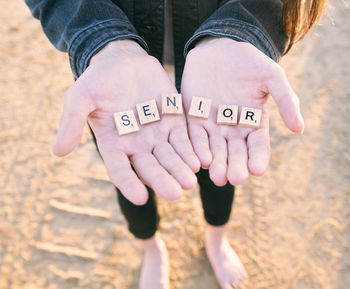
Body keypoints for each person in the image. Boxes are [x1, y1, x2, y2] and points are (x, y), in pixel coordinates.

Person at [24, 0, 327, 288]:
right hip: (118, 75)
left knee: (218, 163)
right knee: (132, 172)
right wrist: (99, 39)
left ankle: (216, 238)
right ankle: (151, 248)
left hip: (218, 66)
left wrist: (244, 29)